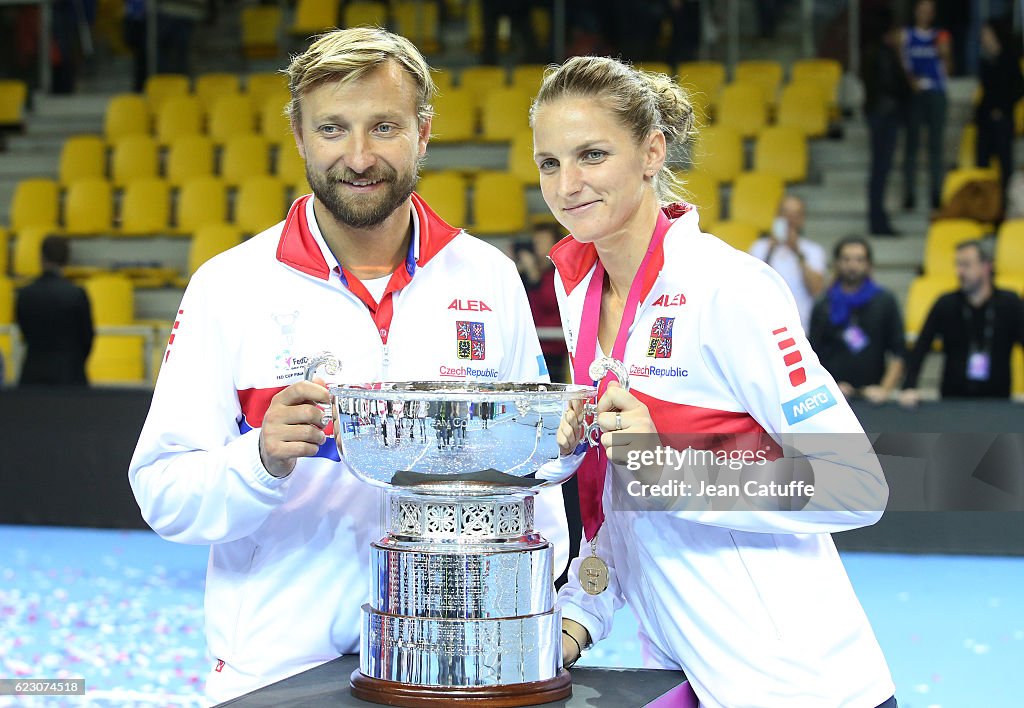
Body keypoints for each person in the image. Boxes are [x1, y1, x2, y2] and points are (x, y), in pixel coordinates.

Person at [128, 28, 568, 702]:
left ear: (422, 133)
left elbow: (534, 476)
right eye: (333, 128)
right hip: (279, 668)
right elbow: (164, 493)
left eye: (383, 126)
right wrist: (261, 460)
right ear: (301, 138)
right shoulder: (230, 286)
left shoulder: (487, 276)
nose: (358, 157)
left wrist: (534, 616)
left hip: (456, 663)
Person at [530, 56, 896, 708]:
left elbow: (855, 483)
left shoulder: (727, 289)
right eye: (549, 163)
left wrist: (673, 466)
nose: (568, 184)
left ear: (651, 153)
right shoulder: (577, 288)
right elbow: (625, 493)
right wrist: (575, 616)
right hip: (688, 682)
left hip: (801, 689)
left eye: (591, 154)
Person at [900, 240, 1024, 406]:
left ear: (986, 266)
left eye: (966, 265)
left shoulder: (1010, 303)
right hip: (952, 401)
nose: (960, 271)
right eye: (958, 265)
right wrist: (909, 386)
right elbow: (921, 347)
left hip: (998, 402)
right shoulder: (946, 304)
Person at [809, 236, 906, 403]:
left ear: (869, 265)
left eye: (859, 260)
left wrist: (884, 390)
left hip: (873, 397)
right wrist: (827, 386)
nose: (852, 265)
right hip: (833, 397)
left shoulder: (885, 300)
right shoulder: (824, 304)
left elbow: (899, 352)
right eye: (846, 259)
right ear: (837, 264)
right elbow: (812, 354)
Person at [16, 236, 94, 386]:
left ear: (41, 257)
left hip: (33, 374)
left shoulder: (25, 294)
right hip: (70, 374)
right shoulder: (76, 294)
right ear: (66, 259)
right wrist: (74, 359)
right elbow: (87, 337)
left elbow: (24, 331)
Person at [862, 14, 912, 235]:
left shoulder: (871, 52)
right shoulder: (886, 54)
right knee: (880, 171)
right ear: (888, 33)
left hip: (877, 115)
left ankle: (877, 219)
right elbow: (896, 86)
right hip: (885, 116)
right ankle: (877, 221)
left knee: (879, 171)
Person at [901, 0, 951, 212]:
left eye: (929, 11)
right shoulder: (906, 35)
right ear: (915, 12)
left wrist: (945, 53)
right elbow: (901, 63)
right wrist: (909, 82)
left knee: (936, 145)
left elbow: (949, 66)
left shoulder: (941, 35)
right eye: (921, 10)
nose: (925, 14)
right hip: (914, 93)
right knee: (911, 146)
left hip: (937, 91)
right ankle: (909, 193)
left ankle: (935, 193)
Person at [748, 195, 827, 329]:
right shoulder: (759, 247)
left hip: (802, 327)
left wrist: (797, 252)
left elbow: (817, 290)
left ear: (803, 219)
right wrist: (770, 250)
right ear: (777, 216)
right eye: (785, 213)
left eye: (795, 215)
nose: (790, 220)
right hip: (764, 325)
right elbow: (750, 285)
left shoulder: (814, 251)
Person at [975, 17, 1024, 203]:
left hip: (1003, 120)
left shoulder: (1009, 58)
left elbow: (1019, 88)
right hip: (985, 120)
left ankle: (1002, 205)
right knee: (982, 165)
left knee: (1005, 165)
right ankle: (983, 205)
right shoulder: (985, 59)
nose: (983, 36)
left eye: (986, 32)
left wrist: (1003, 108)